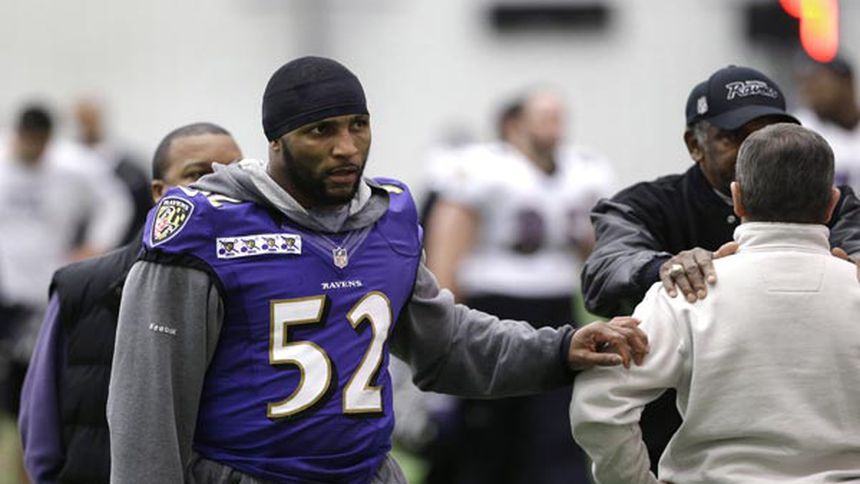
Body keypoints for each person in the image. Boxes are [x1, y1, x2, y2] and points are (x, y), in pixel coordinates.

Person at [106, 56, 647, 484]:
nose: (346, 148)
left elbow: (446, 345)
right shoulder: (207, 229)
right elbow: (148, 411)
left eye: (358, 125)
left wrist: (558, 348)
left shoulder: (387, 219)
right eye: (321, 130)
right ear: (276, 142)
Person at [580, 65, 860, 470]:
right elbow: (605, 272)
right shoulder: (645, 205)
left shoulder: (832, 202)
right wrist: (663, 270)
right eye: (735, 137)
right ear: (694, 144)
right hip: (676, 433)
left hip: (815, 436)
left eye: (768, 132)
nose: (755, 148)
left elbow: (854, 239)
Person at [17, 122, 242, 484]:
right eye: (197, 175)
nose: (221, 190)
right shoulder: (81, 287)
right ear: (159, 192)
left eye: (234, 174)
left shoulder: (263, 284)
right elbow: (40, 428)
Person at [423, 89, 614, 484]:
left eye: (558, 116)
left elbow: (597, 248)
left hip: (557, 307)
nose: (555, 127)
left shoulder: (583, 170)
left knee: (555, 427)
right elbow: (449, 242)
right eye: (544, 117)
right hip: (493, 304)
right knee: (488, 432)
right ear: (514, 125)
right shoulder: (483, 168)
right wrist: (440, 317)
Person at [74, 98, 153, 244]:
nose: (87, 125)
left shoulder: (131, 170)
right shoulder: (65, 168)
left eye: (91, 118)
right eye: (82, 119)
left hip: (126, 246)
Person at [794, 55, 860, 194]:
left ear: (847, 82)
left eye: (817, 80)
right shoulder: (799, 130)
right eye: (805, 83)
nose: (810, 89)